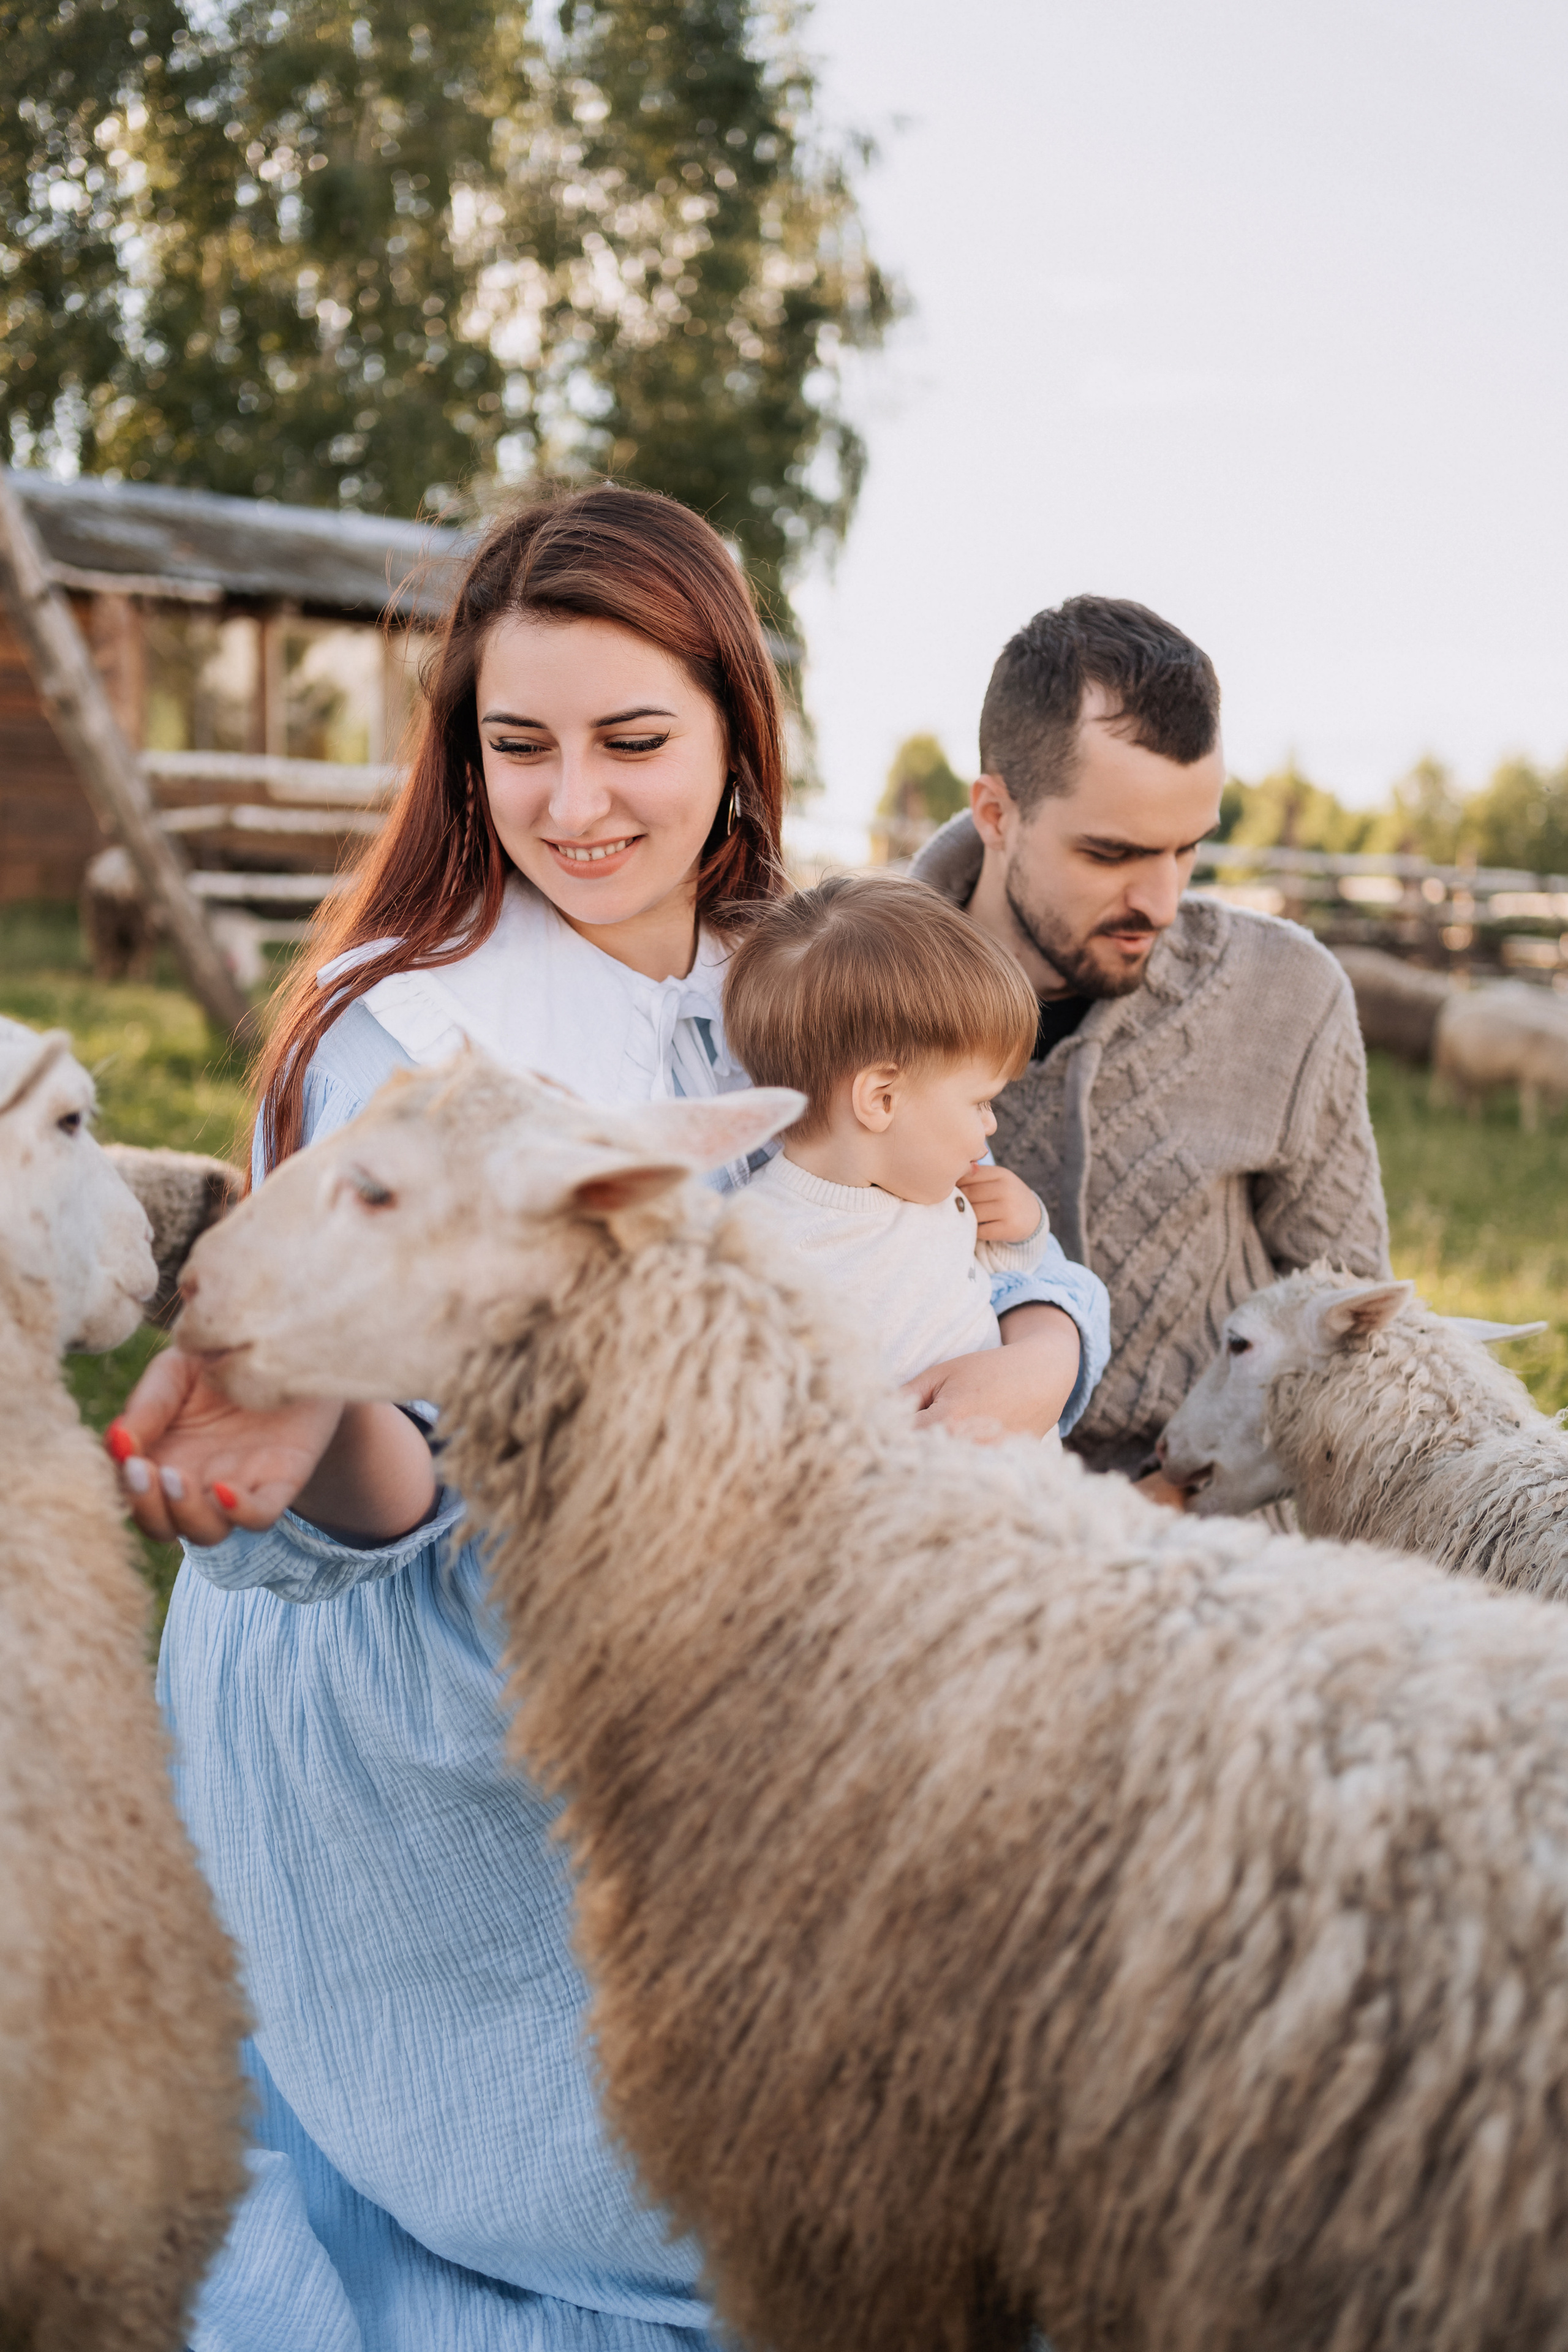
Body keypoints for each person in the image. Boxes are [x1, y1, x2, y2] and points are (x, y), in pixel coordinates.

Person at [108, 485, 1111, 2351]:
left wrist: (1030, 1359)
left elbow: (990, 1230)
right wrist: (312, 1416)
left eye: (633, 739)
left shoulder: (804, 969)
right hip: (463, 1657)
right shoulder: (401, 1042)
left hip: (785, 1572)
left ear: (735, 728)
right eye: (521, 746)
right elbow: (409, 1490)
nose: (574, 802)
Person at [912, 594, 1391, 1480]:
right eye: (1112, 854)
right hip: (947, 1507)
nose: (1162, 903)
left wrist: (1183, 1501)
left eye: (1186, 849)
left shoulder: (1289, 995)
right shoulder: (851, 995)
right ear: (996, 813)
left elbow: (1354, 1336)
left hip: (1217, 1523)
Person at [725, 872, 1107, 1444]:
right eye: (980, 1103)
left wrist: (1024, 1230)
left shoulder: (936, 1191)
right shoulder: (755, 1253)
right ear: (882, 1099)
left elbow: (1007, 1279)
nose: (991, 1125)